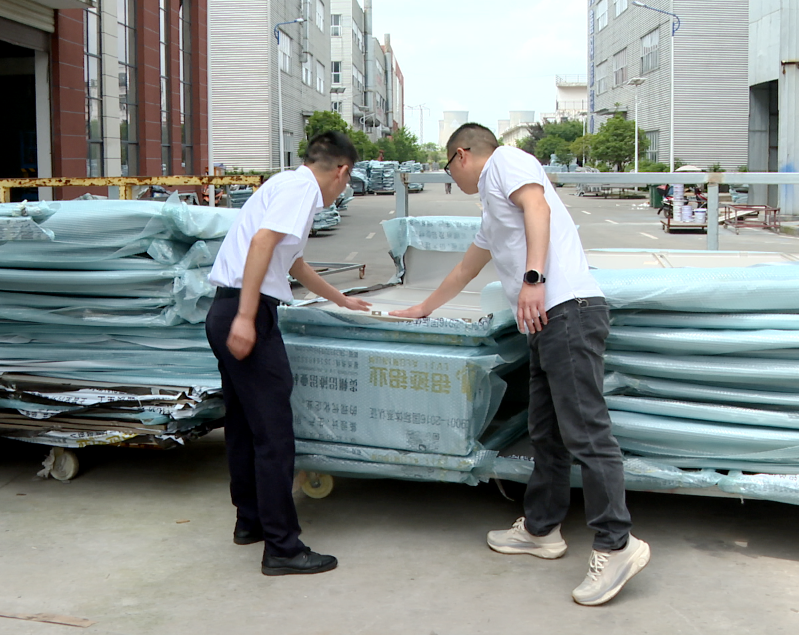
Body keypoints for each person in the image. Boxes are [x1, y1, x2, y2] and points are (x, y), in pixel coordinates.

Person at [390, 123, 649, 606]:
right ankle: (541, 529)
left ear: (462, 155)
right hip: (545, 323)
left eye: (448, 167)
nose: (452, 175)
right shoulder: (492, 206)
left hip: (567, 310)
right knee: (547, 431)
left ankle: (618, 544)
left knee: (587, 432)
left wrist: (533, 278)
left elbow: (538, 206)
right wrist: (425, 306)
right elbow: (469, 265)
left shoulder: (506, 162)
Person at [206, 130, 371, 576]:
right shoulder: (302, 189)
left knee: (243, 426)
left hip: (227, 309)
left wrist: (342, 299)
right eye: (346, 181)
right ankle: (282, 548)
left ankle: (251, 521)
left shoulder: (283, 184)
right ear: (342, 170)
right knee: (275, 436)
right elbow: (261, 244)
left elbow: (292, 261)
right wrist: (247, 316)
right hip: (246, 311)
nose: (342, 190)